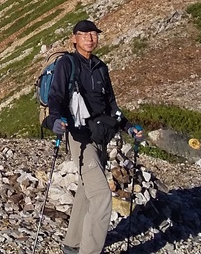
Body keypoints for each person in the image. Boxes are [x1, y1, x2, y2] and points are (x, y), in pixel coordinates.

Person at [41, 20, 139, 254]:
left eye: (93, 33)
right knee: (103, 196)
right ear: (74, 38)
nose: (90, 37)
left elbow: (111, 105)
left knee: (87, 191)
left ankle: (72, 244)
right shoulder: (68, 63)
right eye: (84, 34)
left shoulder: (100, 67)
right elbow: (55, 97)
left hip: (100, 136)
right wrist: (56, 119)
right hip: (79, 137)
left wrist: (127, 126)